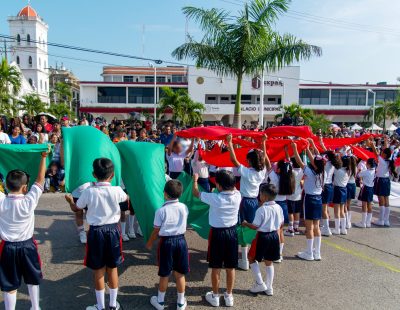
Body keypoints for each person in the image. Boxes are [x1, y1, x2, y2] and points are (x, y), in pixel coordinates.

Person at [66, 158, 128, 310]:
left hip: (96, 232)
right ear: (112, 176)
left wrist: (69, 201)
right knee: (112, 268)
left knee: (98, 269)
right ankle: (113, 305)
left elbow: (77, 208)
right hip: (113, 230)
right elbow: (127, 200)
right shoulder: (117, 190)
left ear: (93, 174)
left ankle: (100, 307)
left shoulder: (88, 192)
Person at [0, 146, 49, 310]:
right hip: (27, 246)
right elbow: (40, 180)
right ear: (25, 187)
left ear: (6, 186)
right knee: (32, 277)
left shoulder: (1, 200)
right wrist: (43, 157)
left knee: (9, 282)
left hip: (7, 247)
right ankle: (35, 307)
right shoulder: (29, 200)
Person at [193, 170, 241, 307]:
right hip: (232, 233)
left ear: (219, 186)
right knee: (231, 266)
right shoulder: (238, 196)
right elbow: (233, 189)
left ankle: (215, 295)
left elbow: (196, 193)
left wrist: (195, 180)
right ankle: (229, 295)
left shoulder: (215, 198)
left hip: (217, 234)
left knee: (216, 266)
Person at [226, 133, 269, 271]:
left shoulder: (247, 172)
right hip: (255, 202)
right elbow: (266, 161)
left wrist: (230, 143)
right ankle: (251, 256)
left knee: (243, 228)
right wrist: (263, 144)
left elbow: (233, 160)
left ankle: (244, 260)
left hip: (244, 202)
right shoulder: (261, 172)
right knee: (252, 227)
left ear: (250, 161)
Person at [146, 180, 189, 310]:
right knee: (180, 273)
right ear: (180, 194)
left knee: (165, 273)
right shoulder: (184, 207)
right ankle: (181, 302)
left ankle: (160, 301)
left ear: (164, 194)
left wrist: (149, 242)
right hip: (181, 241)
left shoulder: (161, 211)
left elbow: (156, 230)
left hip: (166, 243)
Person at [242, 183, 283, 296]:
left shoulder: (261, 209)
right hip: (274, 236)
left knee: (251, 258)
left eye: (260, 193)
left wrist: (245, 223)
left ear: (264, 196)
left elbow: (255, 226)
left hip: (262, 236)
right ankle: (269, 287)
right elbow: (281, 223)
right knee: (269, 261)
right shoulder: (278, 207)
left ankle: (260, 283)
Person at [292, 139, 325, 261]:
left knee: (309, 227)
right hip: (318, 199)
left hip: (310, 199)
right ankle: (317, 252)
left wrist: (295, 148)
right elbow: (314, 160)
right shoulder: (322, 172)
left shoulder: (309, 172)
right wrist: (309, 145)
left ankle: (309, 253)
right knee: (316, 226)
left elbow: (299, 161)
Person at [370, 137, 397, 226]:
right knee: (386, 200)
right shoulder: (389, 161)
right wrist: (385, 142)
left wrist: (372, 143)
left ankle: (381, 220)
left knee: (381, 200)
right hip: (386, 181)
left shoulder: (382, 161)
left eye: (382, 151)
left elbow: (375, 152)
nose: (381, 152)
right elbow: (386, 150)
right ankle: (386, 220)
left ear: (384, 154)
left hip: (381, 180)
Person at [319, 149, 337, 237]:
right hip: (329, 186)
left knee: (324, 209)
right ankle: (324, 226)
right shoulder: (333, 164)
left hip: (325, 186)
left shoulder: (327, 164)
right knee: (325, 208)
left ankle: (326, 228)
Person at [286, 151, 304, 236]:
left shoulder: (291, 171)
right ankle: (296, 227)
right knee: (297, 211)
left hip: (290, 195)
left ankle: (290, 229)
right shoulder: (302, 170)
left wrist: (286, 151)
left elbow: (288, 160)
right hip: (298, 195)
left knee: (290, 212)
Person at [331, 155, 350, 235]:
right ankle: (343, 229)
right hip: (344, 190)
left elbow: (332, 166)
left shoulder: (338, 170)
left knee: (336, 210)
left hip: (338, 190)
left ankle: (337, 229)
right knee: (342, 210)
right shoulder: (348, 171)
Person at [354, 158, 376, 228]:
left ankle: (363, 223)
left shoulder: (366, 172)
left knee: (364, 205)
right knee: (369, 205)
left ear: (369, 164)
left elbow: (358, 175)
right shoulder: (375, 171)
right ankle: (368, 222)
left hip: (366, 188)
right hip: (371, 188)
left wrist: (359, 170)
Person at [345, 156, 357, 229]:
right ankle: (348, 221)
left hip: (348, 185)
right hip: (353, 185)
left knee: (345, 205)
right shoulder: (355, 168)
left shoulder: (348, 169)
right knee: (348, 205)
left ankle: (347, 221)